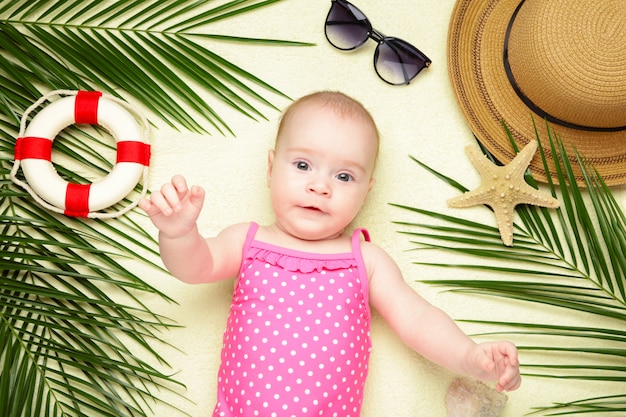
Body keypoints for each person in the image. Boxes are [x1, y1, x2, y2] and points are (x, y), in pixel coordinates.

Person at [139, 91, 521, 417]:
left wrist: (470, 357)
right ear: (271, 168)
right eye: (303, 165)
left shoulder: (366, 260)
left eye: (344, 176)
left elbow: (419, 320)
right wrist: (179, 233)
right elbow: (195, 267)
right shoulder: (248, 242)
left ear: (366, 191)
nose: (320, 186)